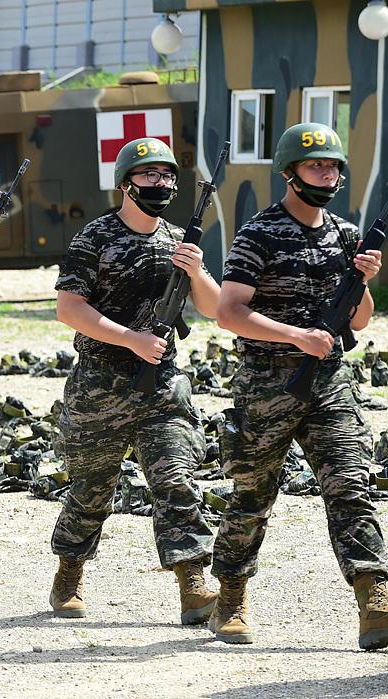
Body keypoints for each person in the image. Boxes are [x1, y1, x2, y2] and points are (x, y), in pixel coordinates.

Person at [210, 122, 388, 650]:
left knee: (351, 487)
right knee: (253, 493)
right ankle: (232, 596)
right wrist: (297, 338)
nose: (328, 175)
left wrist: (365, 283)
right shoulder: (259, 233)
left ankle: (373, 594)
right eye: (316, 166)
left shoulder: (346, 234)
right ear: (289, 172)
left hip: (330, 383)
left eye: (334, 166)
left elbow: (359, 322)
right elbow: (228, 311)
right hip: (269, 384)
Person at [47, 138, 220, 624]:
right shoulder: (95, 238)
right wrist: (130, 339)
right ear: (126, 183)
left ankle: (194, 585)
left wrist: (198, 269)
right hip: (100, 384)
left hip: (163, 384)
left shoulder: (176, 240)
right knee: (91, 489)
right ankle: (69, 572)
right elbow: (69, 308)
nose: (160, 184)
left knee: (177, 480)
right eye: (148, 176)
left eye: (167, 176)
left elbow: (211, 308)